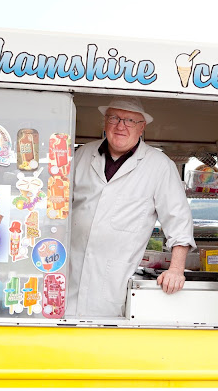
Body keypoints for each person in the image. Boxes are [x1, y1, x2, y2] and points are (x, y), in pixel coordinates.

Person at [67, 96, 196, 317]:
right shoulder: (82, 154)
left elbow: (178, 220)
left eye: (129, 121)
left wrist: (176, 270)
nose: (120, 126)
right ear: (105, 122)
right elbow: (58, 203)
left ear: (142, 127)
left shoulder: (159, 165)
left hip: (114, 280)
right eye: (114, 118)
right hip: (68, 271)